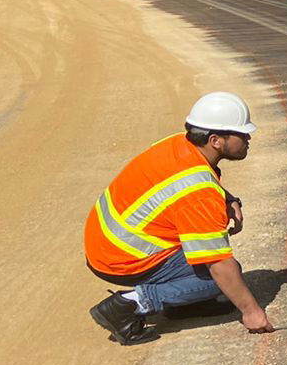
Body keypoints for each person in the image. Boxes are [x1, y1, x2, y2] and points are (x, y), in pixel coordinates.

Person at [86, 92, 275, 344]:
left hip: (107, 244)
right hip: (124, 259)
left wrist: (228, 198)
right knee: (225, 279)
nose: (248, 138)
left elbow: (184, 182)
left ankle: (182, 305)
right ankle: (128, 305)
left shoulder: (179, 144)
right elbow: (217, 263)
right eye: (241, 134)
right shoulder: (199, 193)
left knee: (217, 271)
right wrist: (252, 313)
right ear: (216, 141)